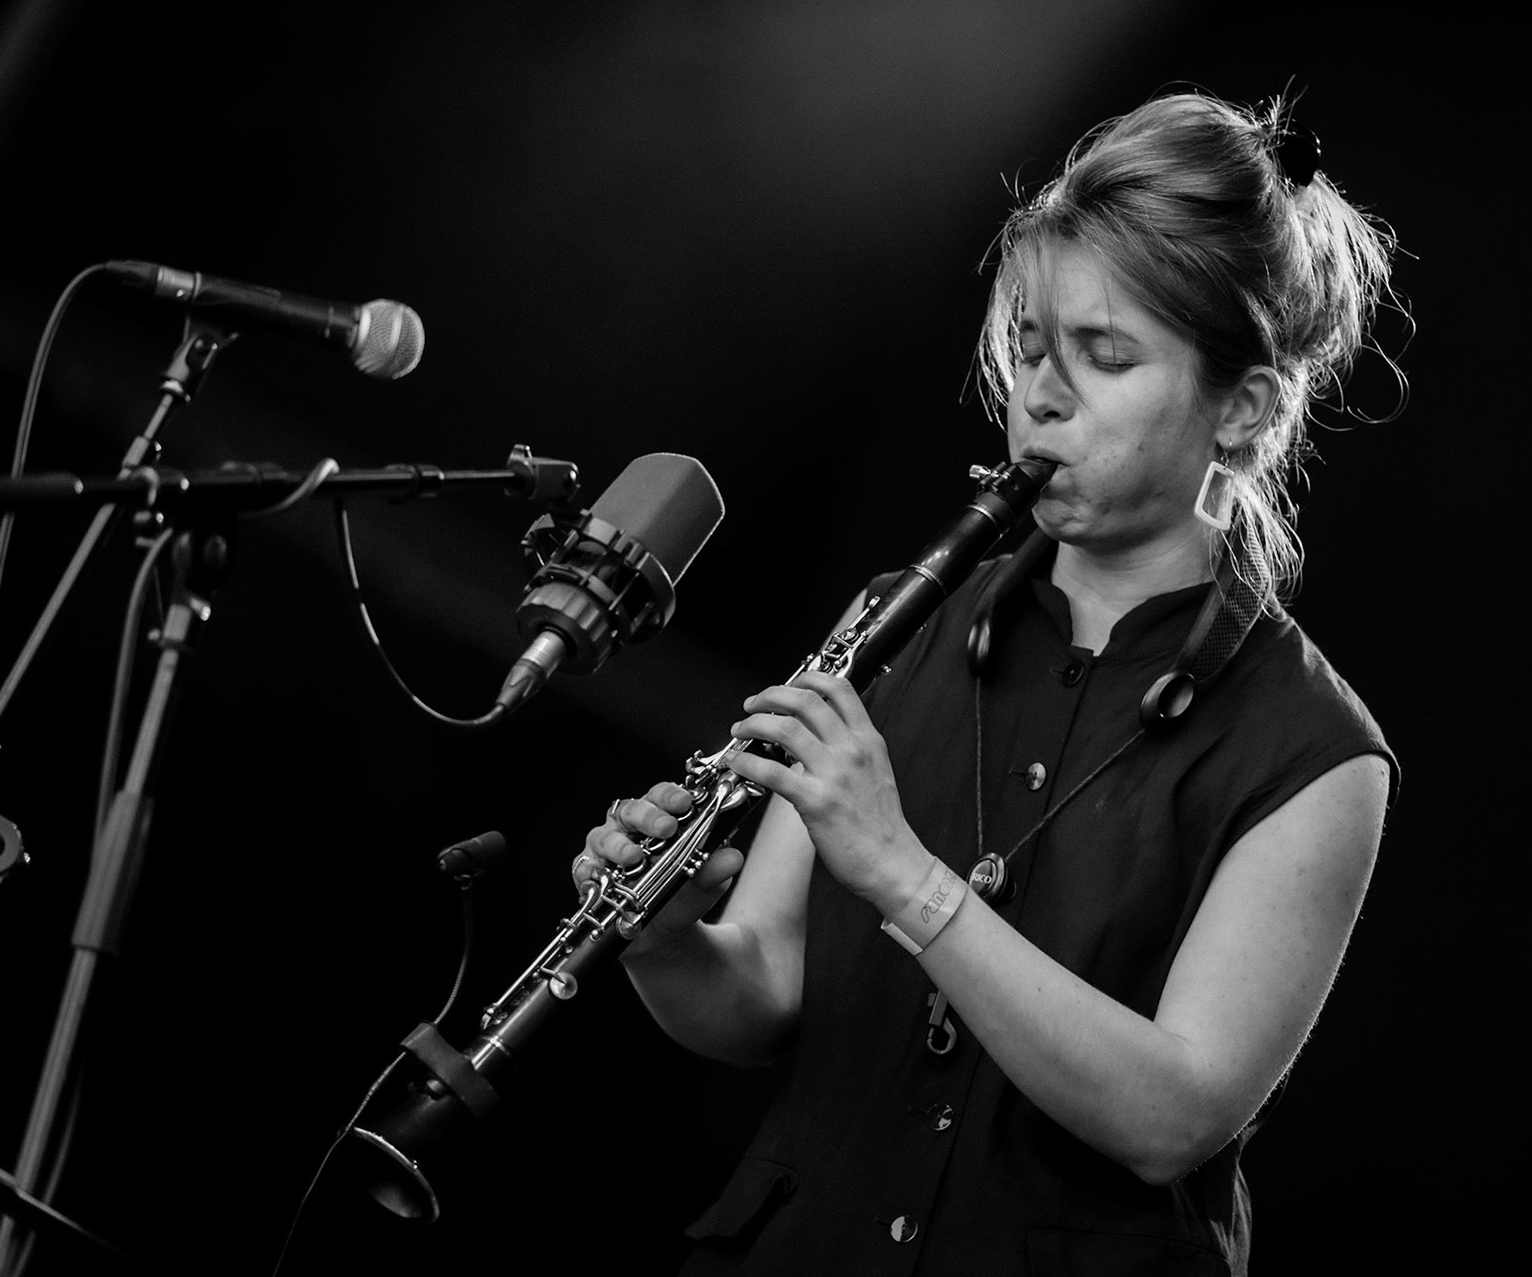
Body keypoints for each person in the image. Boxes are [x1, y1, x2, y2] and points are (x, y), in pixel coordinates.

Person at [576, 91, 1400, 1276]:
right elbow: (754, 990)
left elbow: (1171, 1116)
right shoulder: (890, 620)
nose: (1042, 396)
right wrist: (661, 943)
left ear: (1246, 409)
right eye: (1029, 348)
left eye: (1105, 355)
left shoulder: (1317, 754)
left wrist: (902, 872)